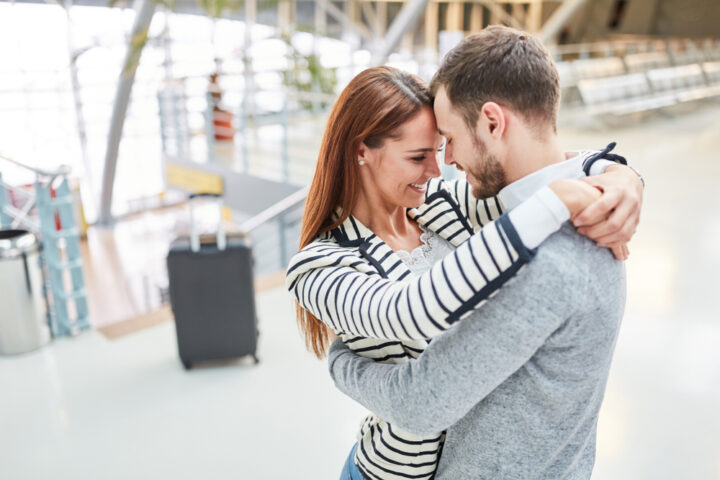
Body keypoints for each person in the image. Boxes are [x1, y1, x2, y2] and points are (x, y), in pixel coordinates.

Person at [287, 64, 641, 479]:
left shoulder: (443, 204)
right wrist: (556, 201)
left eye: (438, 151)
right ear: (361, 150)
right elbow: (408, 311)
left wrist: (620, 177)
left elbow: (538, 180)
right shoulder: (318, 265)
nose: (436, 171)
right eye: (418, 157)